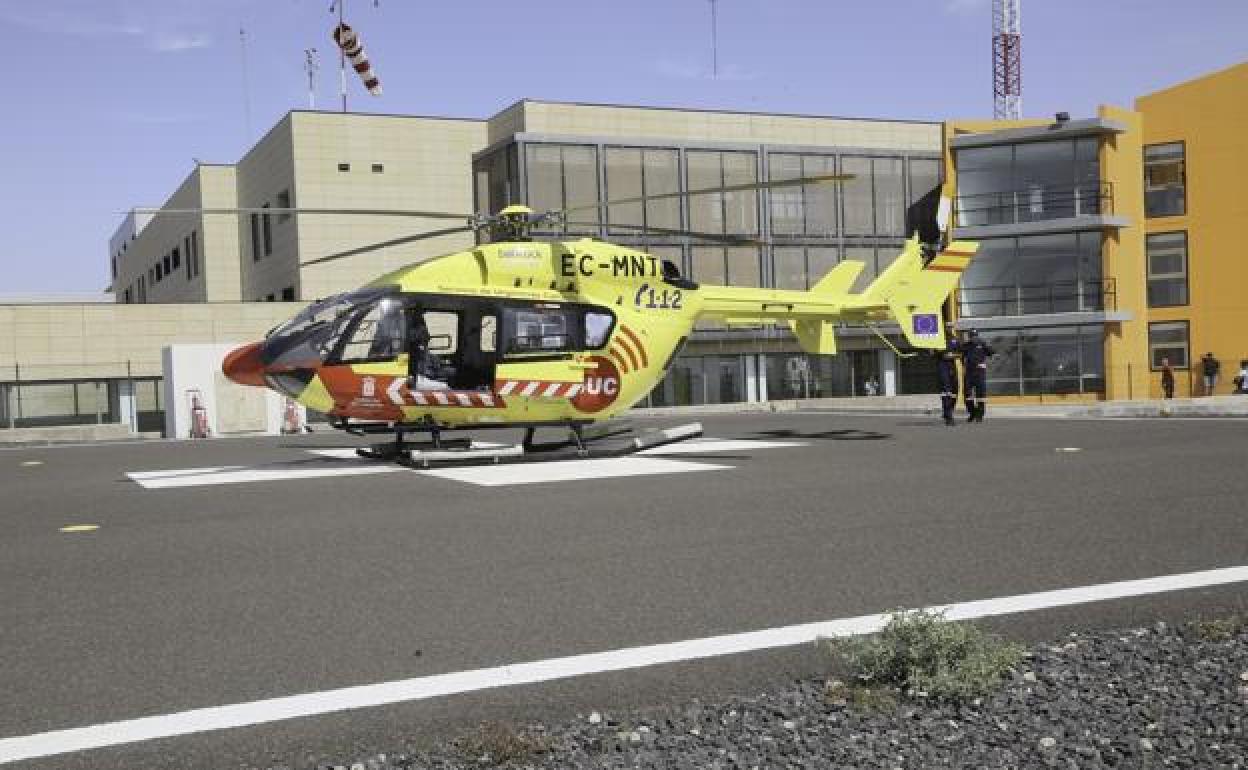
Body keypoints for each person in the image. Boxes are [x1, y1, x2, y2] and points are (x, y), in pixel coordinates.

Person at [961, 329, 994, 423]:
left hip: (980, 373)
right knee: (967, 395)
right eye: (972, 336)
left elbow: (992, 352)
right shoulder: (966, 346)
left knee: (981, 395)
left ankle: (980, 415)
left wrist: (987, 346)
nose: (974, 338)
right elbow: (960, 354)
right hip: (969, 373)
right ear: (969, 337)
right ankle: (972, 413)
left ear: (977, 336)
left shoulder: (983, 344)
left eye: (975, 336)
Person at [936, 326, 961, 426]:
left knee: (955, 390)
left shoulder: (955, 339)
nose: (949, 329)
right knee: (947, 391)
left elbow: (961, 352)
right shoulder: (938, 339)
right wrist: (943, 354)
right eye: (947, 327)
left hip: (952, 366)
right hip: (943, 366)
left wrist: (953, 355)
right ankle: (949, 417)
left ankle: (948, 412)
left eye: (951, 327)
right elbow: (934, 353)